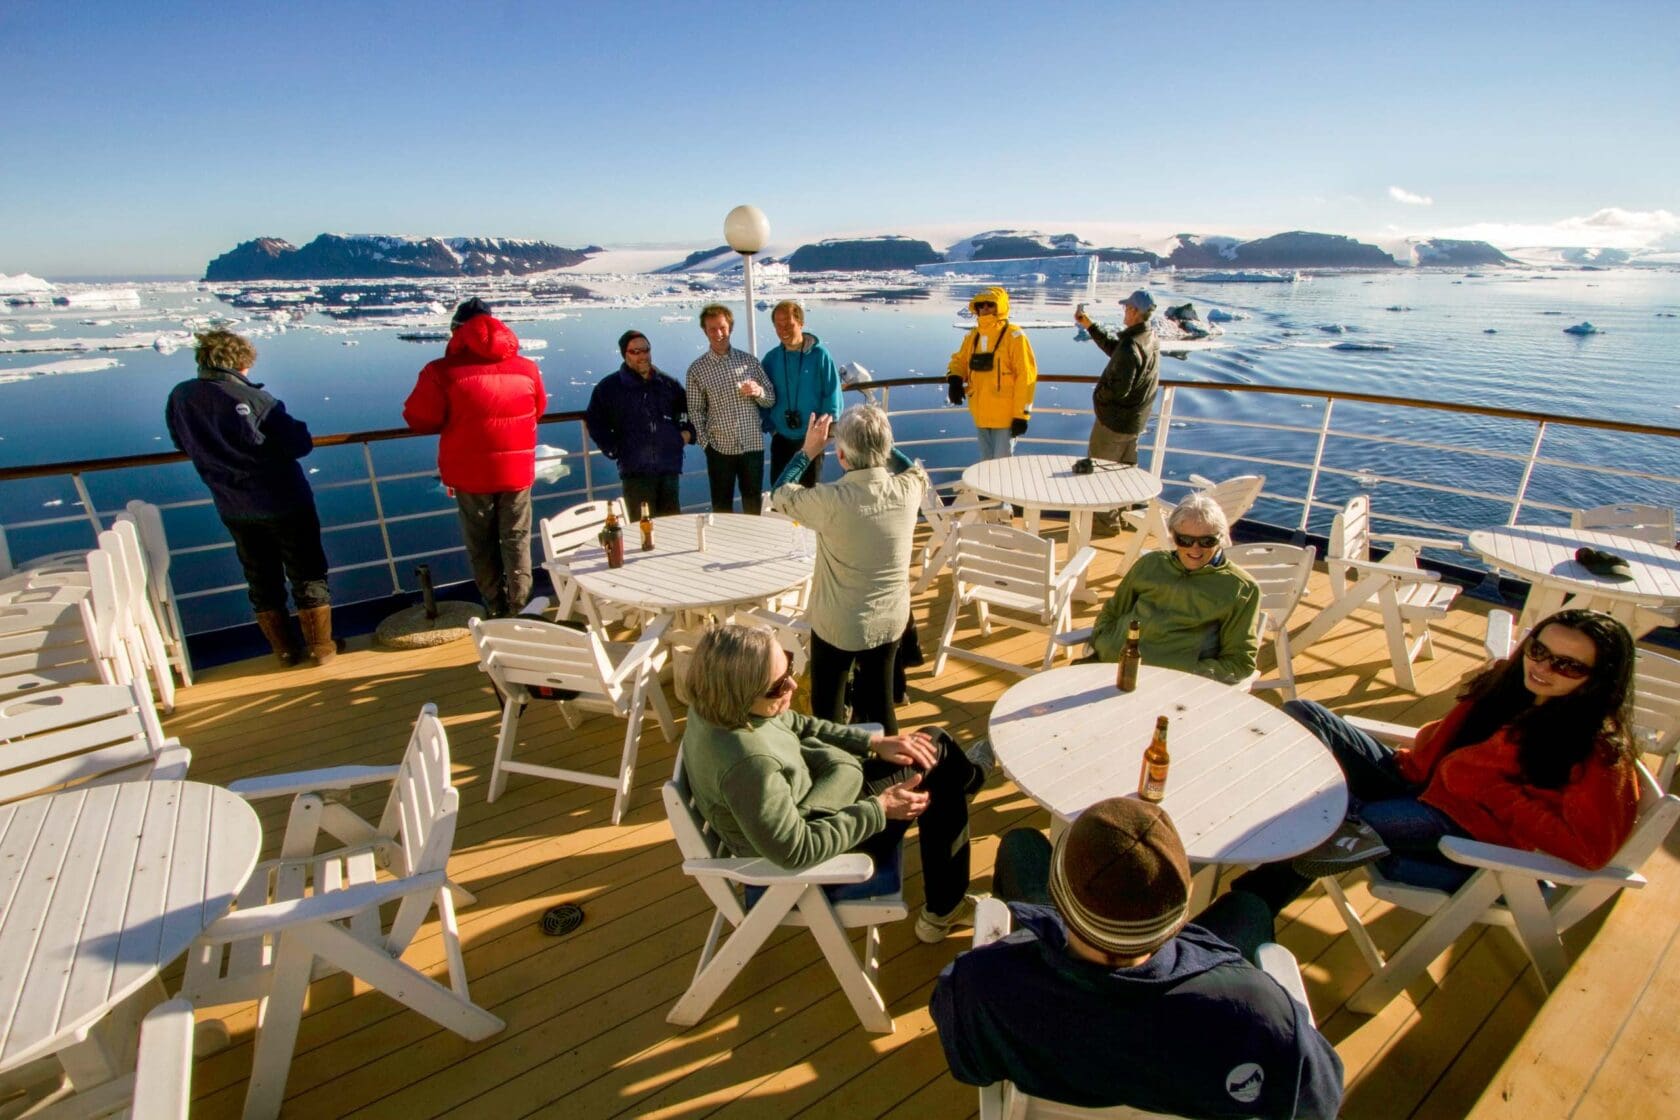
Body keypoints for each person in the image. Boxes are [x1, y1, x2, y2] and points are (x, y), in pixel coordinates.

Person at [931, 798, 1344, 1118]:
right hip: (1196, 1022)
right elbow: (1317, 1103)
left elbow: (972, 1067)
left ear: (1059, 899)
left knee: (1022, 844)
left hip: (1049, 1032)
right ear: (1177, 918)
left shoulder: (981, 983)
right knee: (1250, 909)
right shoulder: (1261, 1013)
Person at [1232, 609, 1642, 902]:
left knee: (1326, 827)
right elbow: (1450, 747)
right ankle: (1330, 811)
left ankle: (1241, 914)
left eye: (1568, 666)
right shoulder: (1509, 686)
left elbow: (1591, 850)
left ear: (1597, 679)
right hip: (1415, 778)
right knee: (1303, 713)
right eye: (1538, 650)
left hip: (1456, 821)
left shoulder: (1598, 751)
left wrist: (1492, 792)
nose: (1543, 666)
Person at [680, 623, 987, 942]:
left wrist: (872, 744)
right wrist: (881, 810)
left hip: (825, 794)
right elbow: (796, 851)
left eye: (789, 667)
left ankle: (964, 783)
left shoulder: (715, 704)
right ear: (740, 693)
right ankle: (946, 905)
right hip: (823, 852)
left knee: (933, 750)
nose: (793, 688)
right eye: (778, 686)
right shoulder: (748, 765)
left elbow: (795, 723)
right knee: (937, 757)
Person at [166, 330, 340, 667]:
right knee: (307, 570)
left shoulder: (181, 397)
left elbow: (181, 441)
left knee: (260, 577)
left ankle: (286, 651)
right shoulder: (253, 399)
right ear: (239, 361)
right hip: (283, 499)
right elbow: (298, 444)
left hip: (232, 503)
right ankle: (321, 648)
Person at [770, 405, 928, 732]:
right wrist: (880, 445)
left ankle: (837, 769)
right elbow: (914, 470)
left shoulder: (830, 501)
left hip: (838, 625)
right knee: (881, 704)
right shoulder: (910, 489)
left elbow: (780, 493)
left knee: (827, 711)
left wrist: (808, 450)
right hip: (890, 621)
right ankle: (889, 767)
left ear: (841, 456)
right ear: (885, 449)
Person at [402, 297, 547, 618]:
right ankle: (522, 612)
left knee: (482, 547)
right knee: (517, 542)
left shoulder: (441, 372)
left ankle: (495, 611)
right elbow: (538, 410)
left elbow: (419, 418)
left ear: (456, 332)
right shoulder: (527, 368)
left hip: (471, 476)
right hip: (516, 473)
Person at [1090, 491, 1260, 683]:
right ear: (1173, 535)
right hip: (1105, 665)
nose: (1195, 549)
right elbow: (1113, 611)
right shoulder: (1151, 563)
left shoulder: (1240, 589)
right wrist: (1103, 641)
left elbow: (1239, 663)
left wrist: (1186, 673)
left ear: (1221, 538)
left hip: (1166, 685)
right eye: (1185, 540)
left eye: (1207, 541)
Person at [585, 330, 695, 517]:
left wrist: (686, 434)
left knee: (674, 529)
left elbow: (688, 410)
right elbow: (596, 422)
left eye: (645, 350)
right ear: (625, 354)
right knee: (642, 530)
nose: (642, 356)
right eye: (635, 352)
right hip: (636, 473)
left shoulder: (667, 384)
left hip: (668, 468)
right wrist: (614, 449)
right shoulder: (610, 388)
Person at [685, 303, 776, 514]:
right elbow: (695, 411)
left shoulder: (749, 362)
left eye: (722, 327)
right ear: (705, 331)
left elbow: (770, 399)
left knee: (753, 502)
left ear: (730, 327)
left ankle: (754, 545)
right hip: (719, 449)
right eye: (712, 329)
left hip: (752, 446)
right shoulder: (697, 370)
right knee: (721, 505)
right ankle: (722, 545)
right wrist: (707, 444)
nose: (718, 334)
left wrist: (758, 391)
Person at [947, 287, 1037, 461]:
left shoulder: (1014, 336)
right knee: (986, 465)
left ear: (1000, 307)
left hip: (1005, 418)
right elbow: (959, 361)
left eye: (990, 304)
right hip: (981, 414)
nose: (985, 308)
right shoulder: (973, 337)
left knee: (1002, 468)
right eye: (981, 305)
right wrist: (955, 379)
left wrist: (1022, 415)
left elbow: (1026, 377)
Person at [761, 300, 842, 487]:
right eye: (778, 326)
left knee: (808, 495)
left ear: (801, 324)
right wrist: (771, 428)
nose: (784, 330)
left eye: (789, 325)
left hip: (811, 441)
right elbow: (762, 396)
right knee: (780, 494)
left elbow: (832, 397)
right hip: (781, 439)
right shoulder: (771, 359)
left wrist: (823, 432)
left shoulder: (820, 355)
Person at [1076, 289, 1160, 467]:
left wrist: (1099, 397)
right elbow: (1116, 351)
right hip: (1134, 422)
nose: (1124, 311)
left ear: (1134, 311)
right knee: (1122, 476)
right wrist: (1090, 326)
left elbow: (1119, 389)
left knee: (1099, 475)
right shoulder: (1148, 337)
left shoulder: (1131, 346)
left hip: (1114, 425)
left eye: (1127, 307)